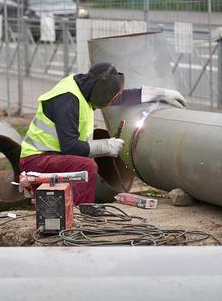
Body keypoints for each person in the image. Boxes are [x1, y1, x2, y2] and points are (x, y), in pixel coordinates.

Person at [19, 62, 186, 204]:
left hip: (53, 158)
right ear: (100, 91)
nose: (111, 102)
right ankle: (80, 213)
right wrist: (107, 145)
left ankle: (71, 208)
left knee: (85, 164)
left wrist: (162, 94)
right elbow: (70, 147)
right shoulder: (67, 100)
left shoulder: (85, 87)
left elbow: (123, 97)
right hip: (36, 162)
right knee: (86, 167)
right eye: (109, 98)